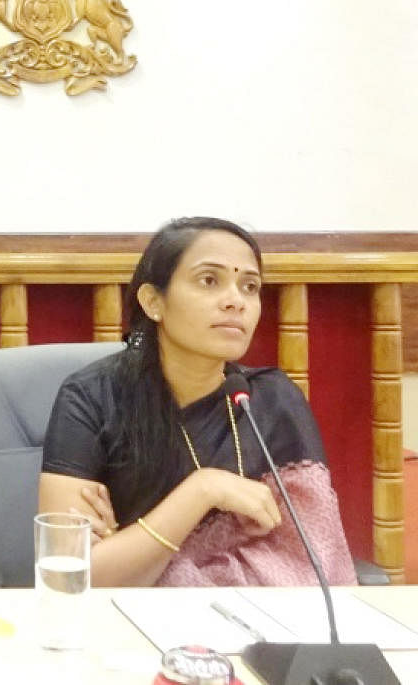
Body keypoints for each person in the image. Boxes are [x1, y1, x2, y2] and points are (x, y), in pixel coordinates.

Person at [39, 217, 356, 587]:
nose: (236, 301)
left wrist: (132, 546)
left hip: (267, 623)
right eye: (209, 280)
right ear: (153, 301)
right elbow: (70, 576)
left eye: (249, 286)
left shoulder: (270, 401)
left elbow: (311, 561)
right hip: (132, 626)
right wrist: (203, 490)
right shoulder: (93, 398)